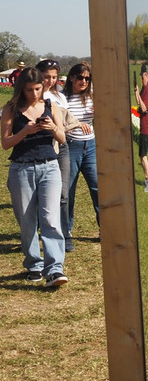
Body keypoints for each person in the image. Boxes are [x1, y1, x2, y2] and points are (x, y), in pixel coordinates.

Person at [2, 67, 68, 287]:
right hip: (21, 168)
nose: (34, 94)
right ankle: (34, 264)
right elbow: (5, 143)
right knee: (27, 220)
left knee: (50, 219)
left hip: (49, 167)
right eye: (29, 90)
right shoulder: (11, 109)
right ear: (21, 88)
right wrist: (25, 132)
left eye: (38, 89)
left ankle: (55, 269)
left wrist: (51, 129)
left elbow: (63, 138)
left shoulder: (52, 107)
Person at [36, 59, 77, 251]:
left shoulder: (60, 96)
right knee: (41, 194)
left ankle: (64, 233)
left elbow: (64, 122)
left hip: (62, 146)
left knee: (63, 193)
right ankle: (42, 229)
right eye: (46, 77)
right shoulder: (33, 94)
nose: (50, 81)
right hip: (42, 147)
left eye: (54, 77)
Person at [63, 61, 99, 239]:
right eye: (80, 77)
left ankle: (105, 229)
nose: (83, 81)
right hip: (71, 146)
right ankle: (66, 230)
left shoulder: (92, 97)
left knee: (98, 187)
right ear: (71, 78)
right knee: (68, 190)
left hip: (90, 146)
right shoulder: (63, 98)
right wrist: (75, 125)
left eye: (87, 78)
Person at [135, 64, 148, 191]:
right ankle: (147, 179)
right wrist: (136, 92)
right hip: (143, 127)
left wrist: (139, 95)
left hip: (145, 128)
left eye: (142, 78)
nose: (142, 80)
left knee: (143, 156)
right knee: (141, 156)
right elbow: (138, 102)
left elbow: (143, 107)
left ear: (146, 76)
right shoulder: (144, 89)